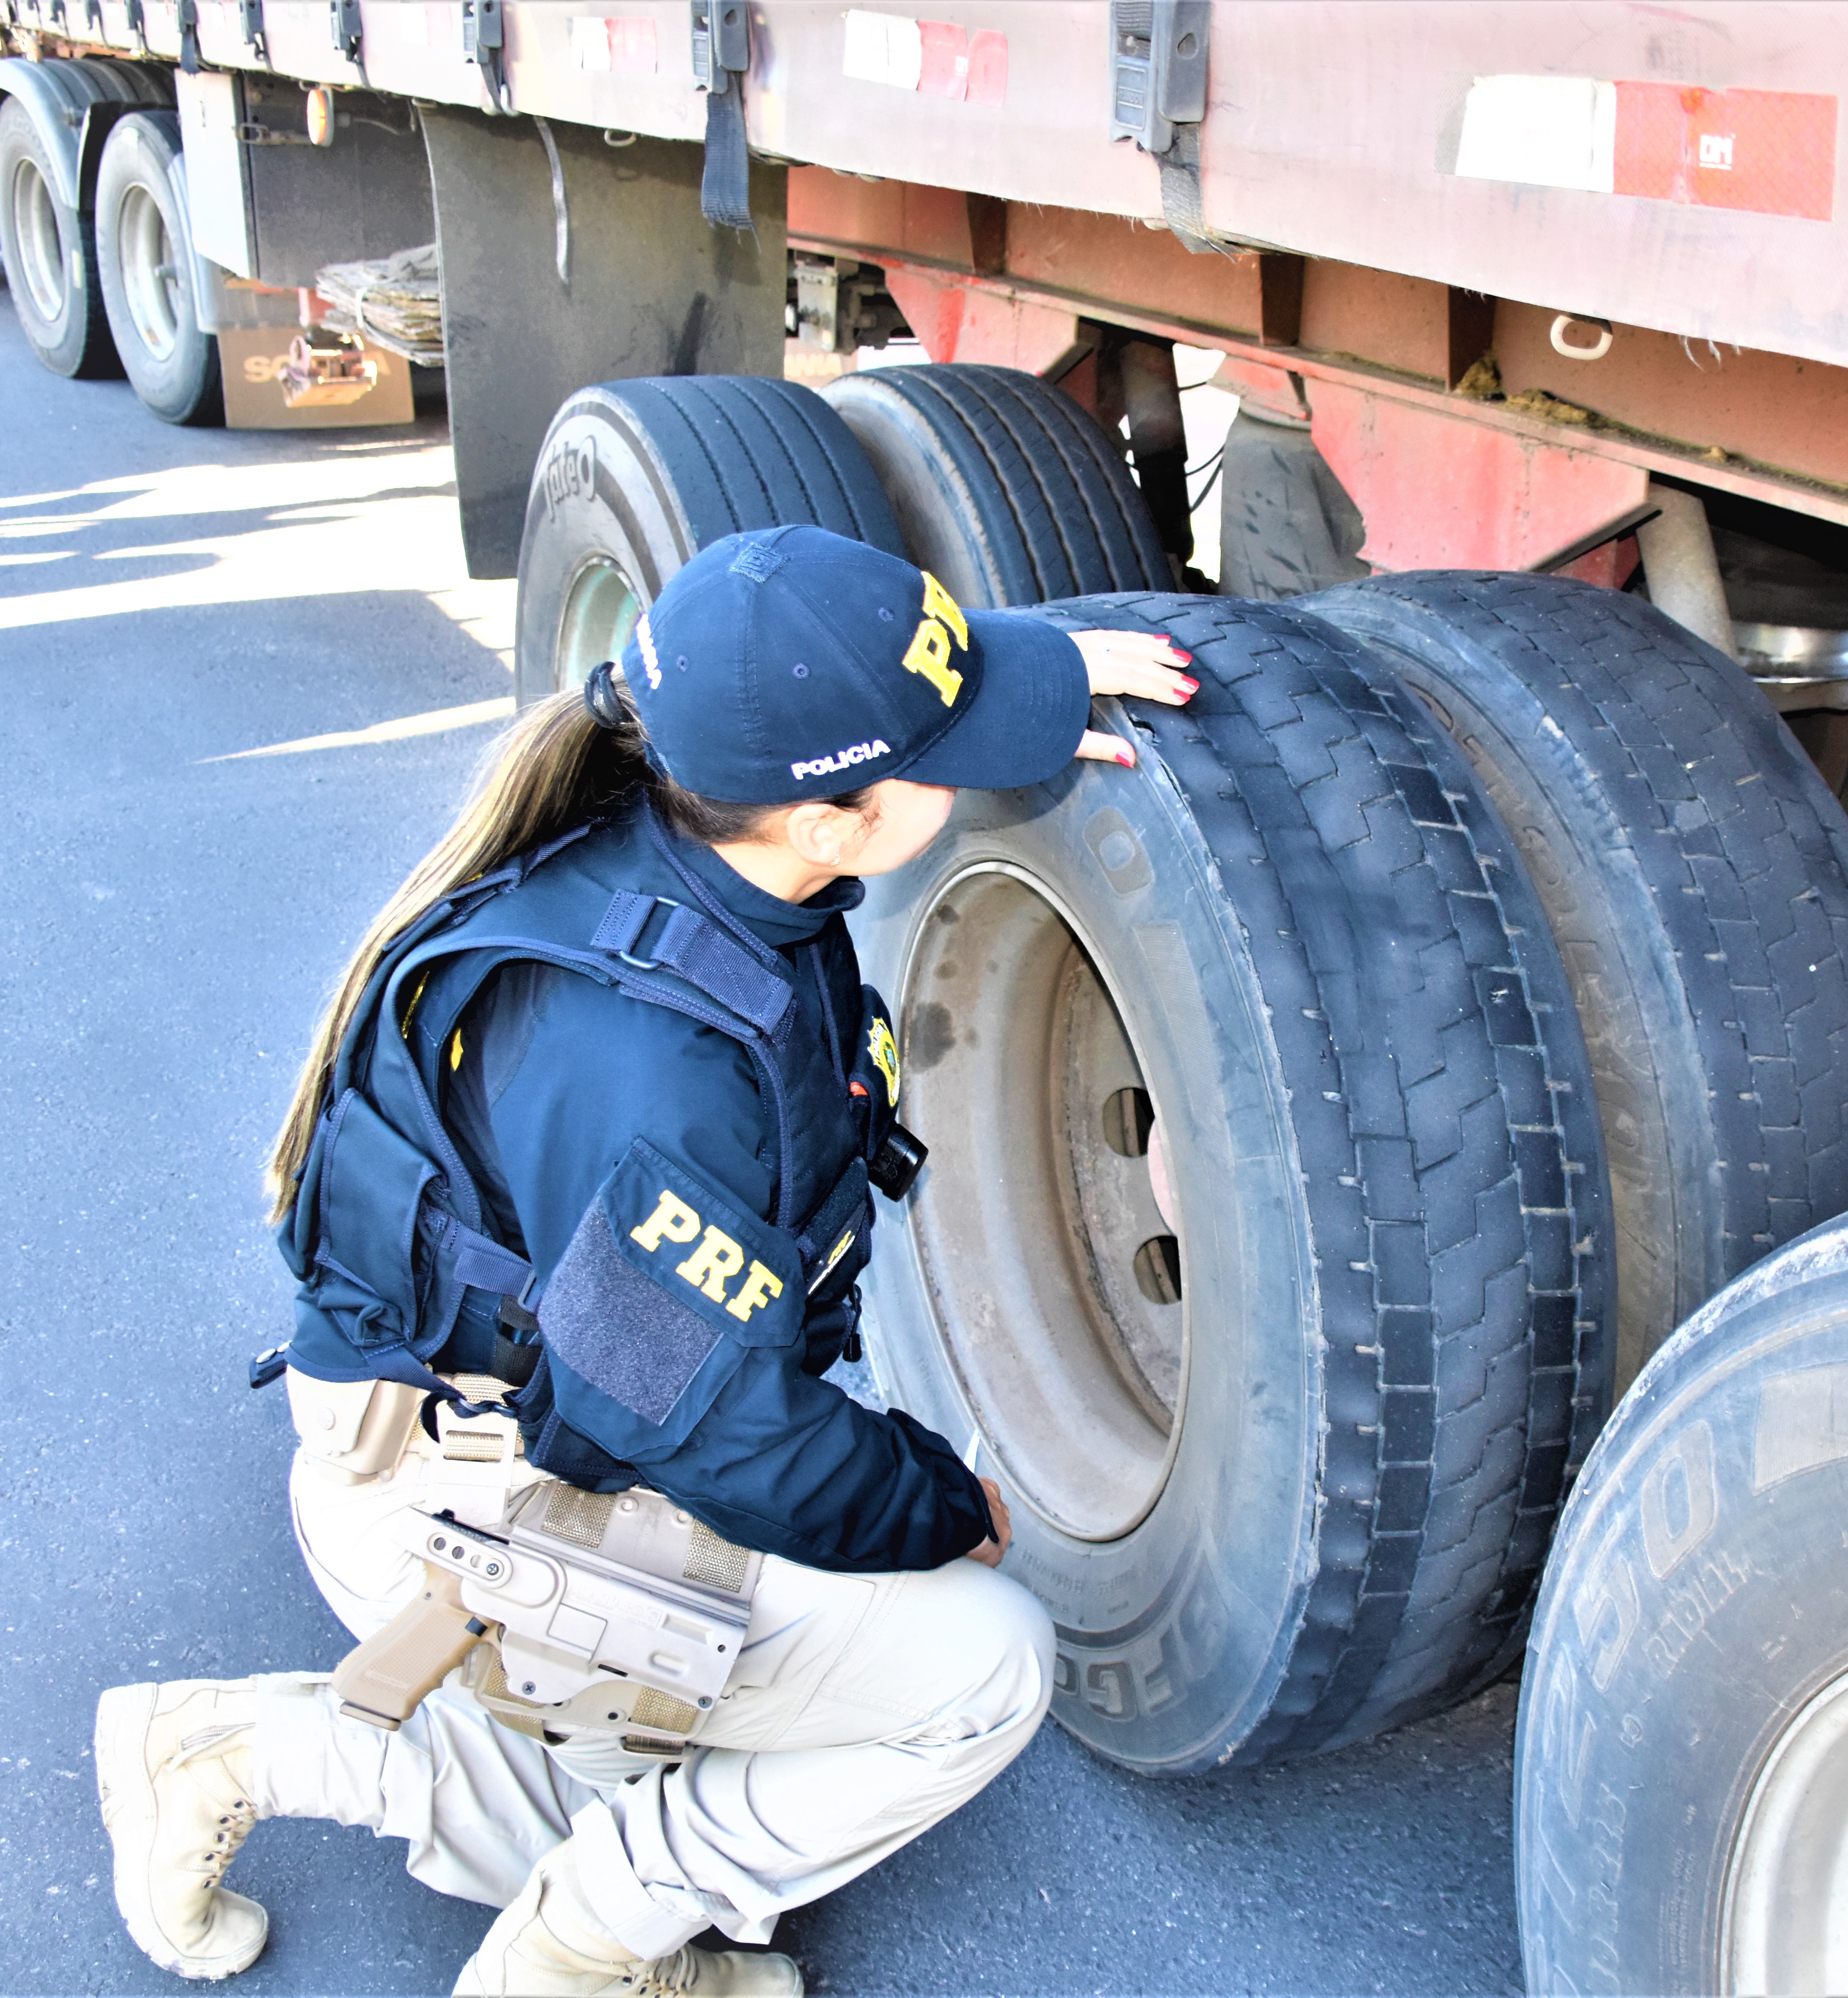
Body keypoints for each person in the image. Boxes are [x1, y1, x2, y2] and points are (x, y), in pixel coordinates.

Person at [90, 525, 1195, 1995]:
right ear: (828, 823)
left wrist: (1028, 676)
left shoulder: (695, 811)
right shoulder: (650, 1067)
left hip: (520, 1401)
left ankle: (299, 1763)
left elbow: (819, 692)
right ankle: (573, 1955)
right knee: (983, 1665)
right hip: (455, 1489)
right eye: (952, 748)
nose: (979, 759)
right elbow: (704, 1429)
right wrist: (938, 1503)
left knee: (649, 1773)